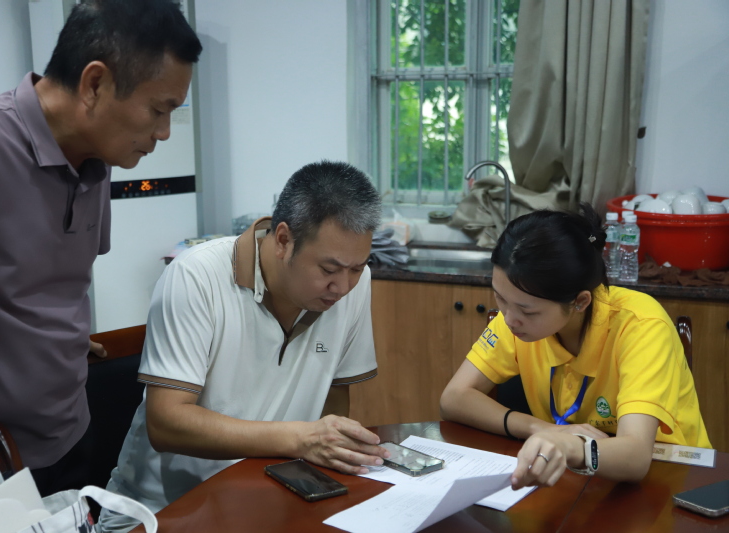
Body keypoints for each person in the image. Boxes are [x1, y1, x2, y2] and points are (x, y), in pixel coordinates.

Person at [0, 0, 202, 496]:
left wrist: (56, 341)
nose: (163, 133)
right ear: (94, 83)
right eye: (159, 110)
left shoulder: (97, 160)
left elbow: (50, 284)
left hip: (70, 434)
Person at [99, 160, 390, 533]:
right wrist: (301, 439)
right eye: (328, 270)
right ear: (283, 240)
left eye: (357, 268)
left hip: (271, 502)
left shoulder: (353, 284)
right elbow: (166, 422)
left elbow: (333, 396)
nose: (344, 287)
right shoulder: (196, 277)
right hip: (165, 512)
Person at [440, 203, 710, 490]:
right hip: (577, 477)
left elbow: (636, 456)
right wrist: (539, 428)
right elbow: (454, 398)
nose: (509, 319)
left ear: (580, 302)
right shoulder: (516, 316)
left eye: (528, 311)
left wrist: (571, 446)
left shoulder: (641, 325)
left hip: (672, 478)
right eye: (500, 298)